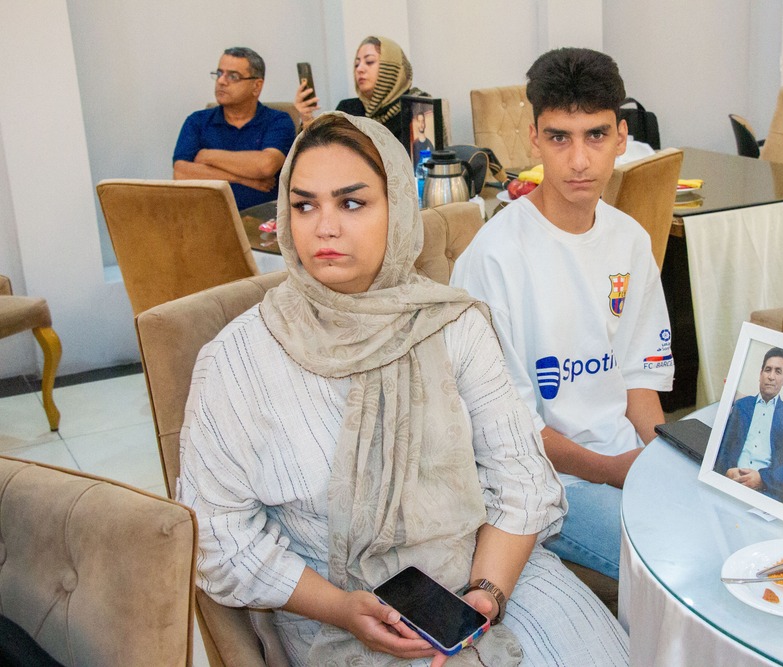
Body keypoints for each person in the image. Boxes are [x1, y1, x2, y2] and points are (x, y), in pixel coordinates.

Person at [177, 111, 628, 666]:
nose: (324, 227)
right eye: (304, 205)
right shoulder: (239, 360)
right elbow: (218, 534)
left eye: (351, 203)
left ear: (397, 207)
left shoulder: (453, 326)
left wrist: (485, 595)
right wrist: (341, 609)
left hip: (493, 570)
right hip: (334, 606)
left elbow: (522, 481)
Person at [450, 48, 673, 582]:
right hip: (539, 483)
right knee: (672, 555)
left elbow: (639, 380)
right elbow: (509, 431)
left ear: (621, 137)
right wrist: (615, 472)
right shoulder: (493, 258)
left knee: (727, 521)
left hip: (622, 460)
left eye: (595, 136)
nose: (579, 160)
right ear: (534, 139)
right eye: (559, 138)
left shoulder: (629, 240)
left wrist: (666, 460)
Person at [173, 47, 296, 210]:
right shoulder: (197, 121)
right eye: (219, 73)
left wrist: (207, 155)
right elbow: (181, 174)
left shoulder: (278, 121)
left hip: (261, 219)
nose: (221, 81)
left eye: (233, 76)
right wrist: (245, 180)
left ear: (256, 86)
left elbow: (266, 165)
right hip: (208, 215)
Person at [295, 36, 427, 146]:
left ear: (391, 69)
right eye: (356, 64)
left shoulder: (416, 109)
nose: (359, 69)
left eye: (369, 62)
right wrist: (307, 120)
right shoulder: (347, 110)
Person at [713, 347, 783, 502]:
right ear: (760, 374)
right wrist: (727, 471)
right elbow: (722, 447)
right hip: (729, 483)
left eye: (778, 371)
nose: (771, 377)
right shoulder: (742, 406)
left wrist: (762, 479)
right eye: (768, 370)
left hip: (764, 493)